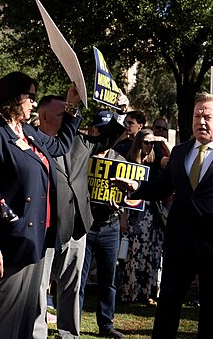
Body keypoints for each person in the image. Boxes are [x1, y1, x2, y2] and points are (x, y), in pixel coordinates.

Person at [112, 93, 213, 338]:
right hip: (179, 242)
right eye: (197, 116)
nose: (201, 121)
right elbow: (163, 187)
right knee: (168, 304)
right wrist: (136, 187)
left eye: (208, 117)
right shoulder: (181, 151)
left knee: (211, 310)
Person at [0, 72, 81, 338]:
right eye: (29, 96)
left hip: (36, 239)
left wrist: (72, 107)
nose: (33, 102)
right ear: (12, 97)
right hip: (11, 242)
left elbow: (58, 146)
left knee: (25, 320)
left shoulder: (26, 130)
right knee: (4, 320)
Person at [33, 103, 126, 339]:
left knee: (71, 285)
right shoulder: (32, 142)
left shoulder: (81, 141)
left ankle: (68, 333)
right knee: (40, 286)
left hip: (76, 226)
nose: (69, 119)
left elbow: (109, 138)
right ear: (44, 117)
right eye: (62, 114)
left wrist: (120, 113)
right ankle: (38, 333)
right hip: (44, 227)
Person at [78, 111, 128, 339]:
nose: (103, 135)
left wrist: (120, 203)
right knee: (78, 278)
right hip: (85, 225)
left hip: (110, 226)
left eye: (107, 131)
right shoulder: (83, 157)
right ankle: (72, 324)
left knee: (109, 280)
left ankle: (106, 325)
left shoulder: (119, 160)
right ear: (92, 130)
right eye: (100, 129)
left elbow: (131, 193)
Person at [122, 129, 170, 305]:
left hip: (153, 213)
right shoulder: (128, 161)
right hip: (133, 212)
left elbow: (174, 161)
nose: (150, 146)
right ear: (138, 143)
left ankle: (149, 293)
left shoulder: (157, 160)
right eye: (146, 142)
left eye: (152, 143)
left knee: (153, 253)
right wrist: (123, 218)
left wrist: (163, 142)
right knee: (135, 253)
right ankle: (132, 292)